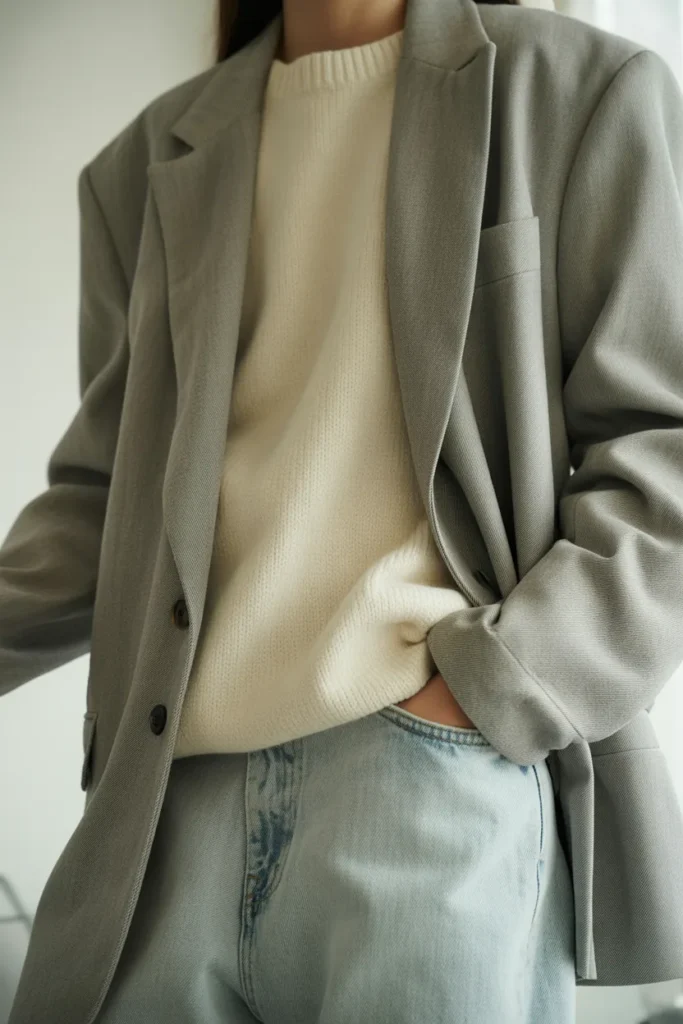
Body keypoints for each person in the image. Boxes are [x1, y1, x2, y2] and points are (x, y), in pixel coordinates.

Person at [5, 0, 683, 1021]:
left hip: (426, 778)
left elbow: (660, 449)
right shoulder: (141, 166)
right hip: (163, 812)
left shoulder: (579, 91)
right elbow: (108, 502)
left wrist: (496, 686)